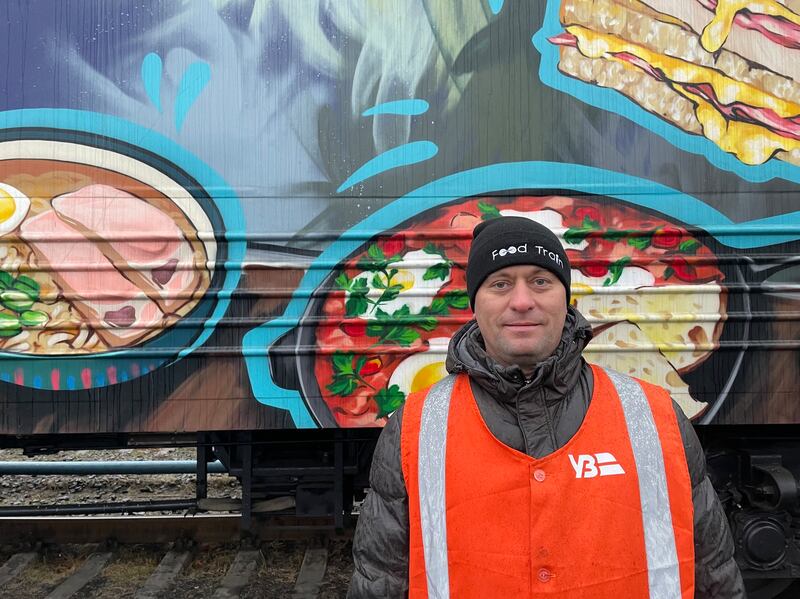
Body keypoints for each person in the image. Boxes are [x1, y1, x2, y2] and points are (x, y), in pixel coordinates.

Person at [348, 216, 744, 598]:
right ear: (475, 303)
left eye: (541, 281)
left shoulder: (656, 417)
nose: (522, 302)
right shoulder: (414, 430)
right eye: (500, 283)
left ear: (566, 298)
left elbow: (714, 571)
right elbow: (380, 580)